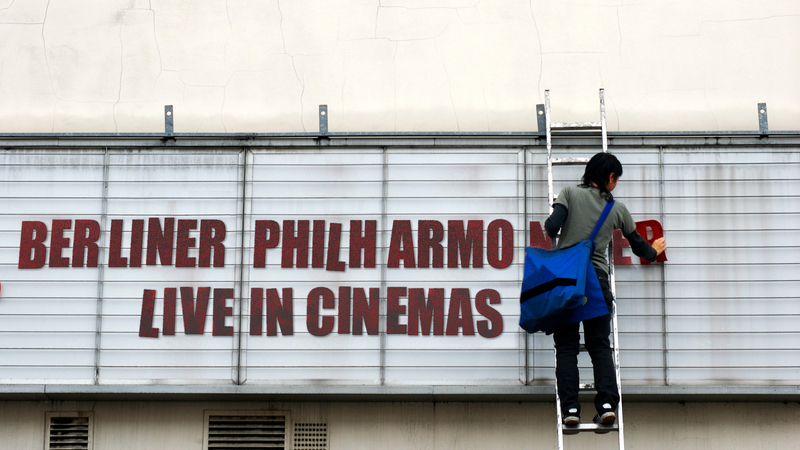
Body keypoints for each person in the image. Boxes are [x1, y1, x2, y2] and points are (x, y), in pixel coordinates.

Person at [544, 152, 666, 430]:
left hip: (565, 282)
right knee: (599, 346)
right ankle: (607, 405)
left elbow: (552, 228)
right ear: (610, 178)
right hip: (596, 281)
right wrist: (655, 251)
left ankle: (571, 410)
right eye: (617, 179)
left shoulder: (569, 193)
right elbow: (640, 247)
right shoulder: (617, 209)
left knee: (566, 349)